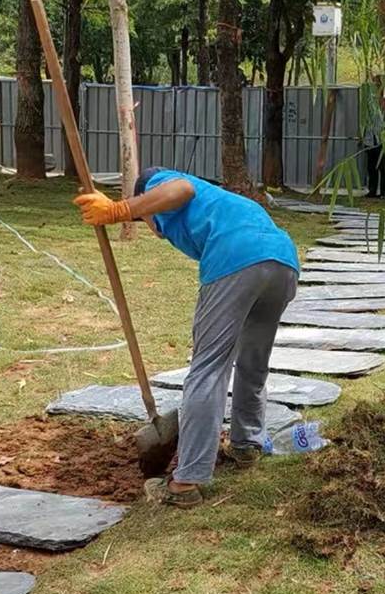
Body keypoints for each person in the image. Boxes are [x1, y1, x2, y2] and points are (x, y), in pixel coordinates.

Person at [73, 168, 299, 508]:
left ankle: (186, 482)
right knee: (253, 363)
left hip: (237, 260)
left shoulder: (167, 182)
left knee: (208, 369)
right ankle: (247, 446)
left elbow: (181, 189)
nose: (148, 227)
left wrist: (120, 210)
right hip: (284, 263)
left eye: (143, 218)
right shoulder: (225, 203)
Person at [363, 80, 385, 199]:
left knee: (384, 167)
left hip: (384, 140)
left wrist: (384, 102)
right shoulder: (368, 102)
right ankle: (372, 191)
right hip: (370, 140)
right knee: (371, 168)